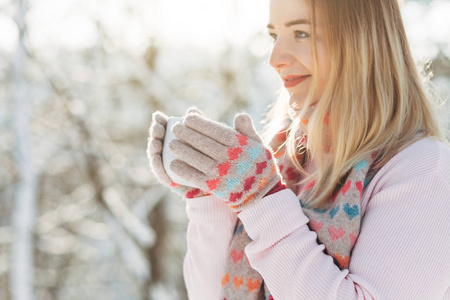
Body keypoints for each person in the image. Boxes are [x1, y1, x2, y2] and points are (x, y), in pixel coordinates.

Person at [147, 0, 450, 298]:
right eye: (274, 36)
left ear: (360, 41)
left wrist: (261, 199)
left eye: (301, 33)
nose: (275, 58)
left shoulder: (422, 170)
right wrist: (210, 194)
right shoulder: (284, 156)